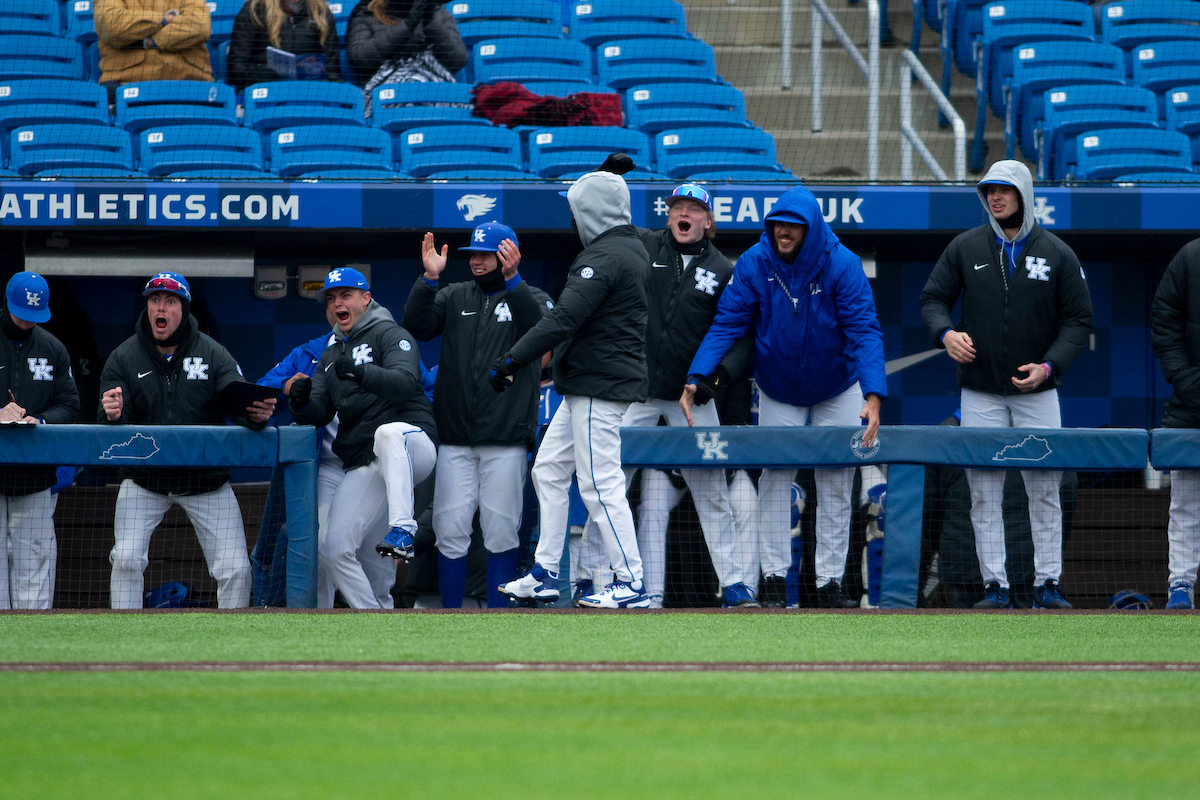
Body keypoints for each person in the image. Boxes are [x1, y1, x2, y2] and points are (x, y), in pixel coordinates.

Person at [682, 184, 887, 609]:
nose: (783, 232)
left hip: (837, 385)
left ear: (810, 229)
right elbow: (727, 323)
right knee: (776, 479)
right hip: (778, 387)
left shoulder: (842, 264)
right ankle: (774, 578)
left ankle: (829, 583)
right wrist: (697, 375)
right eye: (777, 224)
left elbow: (865, 331)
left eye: (793, 226)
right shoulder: (755, 261)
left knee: (836, 479)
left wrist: (873, 393)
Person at [920, 159, 1092, 610]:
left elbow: (1078, 320)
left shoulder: (1056, 252)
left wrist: (1049, 367)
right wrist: (945, 333)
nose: (995, 197)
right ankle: (993, 587)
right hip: (980, 390)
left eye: (1004, 190)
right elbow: (933, 298)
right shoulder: (965, 246)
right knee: (982, 490)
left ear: (1023, 195)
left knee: (1045, 488)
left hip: (1038, 392)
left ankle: (1047, 584)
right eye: (989, 190)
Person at [495, 166, 652, 609]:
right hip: (590, 381)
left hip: (599, 384)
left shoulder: (604, 256)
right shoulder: (628, 246)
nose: (572, 217)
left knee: (600, 483)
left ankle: (631, 583)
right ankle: (545, 572)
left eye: (578, 208)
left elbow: (563, 320)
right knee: (548, 470)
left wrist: (511, 360)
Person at [596, 182, 756, 609]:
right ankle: (595, 578)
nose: (684, 213)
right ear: (668, 215)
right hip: (639, 390)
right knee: (609, 482)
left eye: (693, 208)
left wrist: (711, 382)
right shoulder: (644, 246)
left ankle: (734, 584)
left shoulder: (723, 269)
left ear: (708, 221)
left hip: (691, 398)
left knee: (712, 491)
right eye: (677, 207)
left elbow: (739, 336)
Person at [99, 272, 275, 609]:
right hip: (145, 478)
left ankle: (235, 638)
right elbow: (106, 419)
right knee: (125, 558)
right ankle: (123, 633)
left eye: (170, 301)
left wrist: (254, 414)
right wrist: (111, 413)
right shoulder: (124, 356)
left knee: (236, 569)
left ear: (184, 309)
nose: (160, 308)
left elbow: (238, 402)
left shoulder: (213, 353)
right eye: (154, 300)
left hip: (204, 479)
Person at [403, 222, 552, 609]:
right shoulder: (455, 295)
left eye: (487, 254)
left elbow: (540, 332)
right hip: (455, 437)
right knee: (448, 530)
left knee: (501, 531)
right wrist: (429, 279)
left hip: (505, 437)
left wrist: (513, 280)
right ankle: (452, 615)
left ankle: (498, 616)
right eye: (474, 254)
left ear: (509, 255)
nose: (478, 261)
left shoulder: (531, 296)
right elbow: (417, 326)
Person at [288, 267, 437, 609]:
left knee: (388, 432)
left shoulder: (390, 333)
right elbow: (319, 411)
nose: (337, 303)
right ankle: (374, 616)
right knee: (333, 549)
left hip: (413, 446)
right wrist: (300, 401)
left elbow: (405, 382)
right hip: (367, 462)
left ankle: (404, 529)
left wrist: (361, 372)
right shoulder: (330, 355)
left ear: (366, 298)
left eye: (346, 295)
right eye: (331, 298)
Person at [0, 273, 80, 610]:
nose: (26, 321)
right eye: (22, 313)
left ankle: (33, 638)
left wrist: (41, 420)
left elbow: (70, 405)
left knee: (32, 563)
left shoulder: (52, 348)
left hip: (33, 473)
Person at [1150, 237, 1200, 610]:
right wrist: (1186, 379)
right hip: (1192, 401)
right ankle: (1180, 583)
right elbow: (1164, 321)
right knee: (1185, 501)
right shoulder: (1191, 256)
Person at [346, 0, 468, 113]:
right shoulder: (367, 12)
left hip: (434, 89)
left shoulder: (438, 12)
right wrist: (407, 25)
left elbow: (458, 60)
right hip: (385, 93)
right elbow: (359, 59)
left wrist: (431, 21)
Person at [94, 0, 213, 99]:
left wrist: (149, 41)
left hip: (191, 82)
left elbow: (200, 26)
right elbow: (113, 26)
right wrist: (163, 20)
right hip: (125, 83)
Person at [227, 0, 343, 90]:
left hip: (310, 92)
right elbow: (236, 68)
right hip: (266, 91)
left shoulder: (322, 13)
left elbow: (333, 72)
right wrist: (261, 74)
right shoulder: (254, 11)